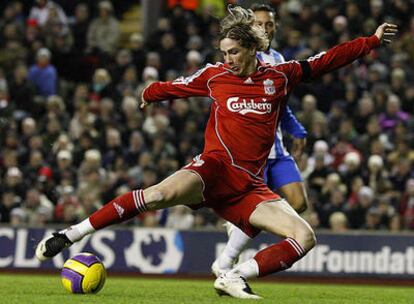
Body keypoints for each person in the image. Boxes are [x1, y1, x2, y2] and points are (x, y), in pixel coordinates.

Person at [35, 5, 397, 300]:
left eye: (235, 52)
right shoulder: (215, 76)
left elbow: (327, 60)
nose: (228, 60)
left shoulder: (281, 76)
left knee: (305, 237)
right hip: (213, 169)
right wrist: (150, 93)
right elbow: (176, 86)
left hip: (249, 185)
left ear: (253, 49)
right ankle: (71, 234)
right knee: (158, 194)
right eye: (224, 53)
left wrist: (371, 41)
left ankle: (233, 274)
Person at [211, 3, 309, 278]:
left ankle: (238, 232)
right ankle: (229, 258)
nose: (265, 28)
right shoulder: (235, 60)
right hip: (250, 150)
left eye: (269, 24)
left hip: (276, 146)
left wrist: (298, 130)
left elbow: (282, 105)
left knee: (298, 202)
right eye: (259, 24)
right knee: (256, 208)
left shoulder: (279, 59)